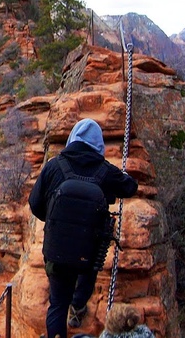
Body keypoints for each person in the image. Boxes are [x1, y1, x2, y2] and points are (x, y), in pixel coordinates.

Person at [29, 118, 138, 338]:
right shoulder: (105, 171)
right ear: (98, 145)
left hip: (57, 247)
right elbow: (130, 187)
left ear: (72, 139)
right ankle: (78, 308)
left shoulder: (53, 166)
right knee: (86, 277)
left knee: (57, 303)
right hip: (89, 248)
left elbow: (34, 204)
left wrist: (51, 219)